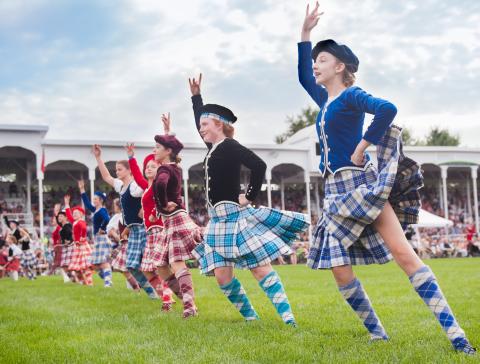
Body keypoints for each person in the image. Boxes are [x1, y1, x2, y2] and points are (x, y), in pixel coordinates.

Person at [298, 2, 475, 354]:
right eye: (315, 59)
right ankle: (377, 331)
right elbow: (303, 76)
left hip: (361, 187)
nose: (316, 64)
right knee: (338, 267)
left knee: (403, 254)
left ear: (340, 66)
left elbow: (387, 109)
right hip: (334, 192)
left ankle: (458, 337)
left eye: (322, 59)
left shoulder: (350, 95)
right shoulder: (325, 99)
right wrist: (305, 35)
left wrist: (364, 144)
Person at [188, 73, 310, 326]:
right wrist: (196, 98)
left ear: (219, 125)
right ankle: (251, 318)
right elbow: (201, 118)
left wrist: (249, 196)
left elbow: (259, 165)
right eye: (200, 126)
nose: (201, 129)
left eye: (205, 125)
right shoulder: (213, 149)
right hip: (217, 222)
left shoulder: (230, 146)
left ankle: (289, 320)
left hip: (234, 217)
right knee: (222, 276)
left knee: (259, 268)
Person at [150, 112, 202, 317]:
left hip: (174, 218)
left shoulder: (164, 170)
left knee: (176, 262)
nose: (154, 150)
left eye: (157, 147)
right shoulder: (174, 167)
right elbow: (171, 148)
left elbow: (161, 184)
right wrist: (167, 131)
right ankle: (189, 302)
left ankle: (189, 306)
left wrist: (162, 205)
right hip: (171, 220)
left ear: (168, 151)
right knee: (161, 265)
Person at [94, 145, 158, 299]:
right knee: (131, 266)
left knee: (150, 264)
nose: (117, 172)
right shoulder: (121, 186)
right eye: (116, 170)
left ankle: (162, 291)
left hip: (143, 228)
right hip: (133, 231)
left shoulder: (135, 186)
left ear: (129, 170)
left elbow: (151, 192)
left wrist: (146, 209)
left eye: (120, 169)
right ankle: (153, 293)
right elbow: (106, 177)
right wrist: (98, 157)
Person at [78, 180, 113, 287]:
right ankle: (107, 280)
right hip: (98, 238)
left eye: (95, 199)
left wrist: (102, 228)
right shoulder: (96, 210)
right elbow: (88, 205)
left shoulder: (102, 210)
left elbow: (107, 219)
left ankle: (108, 282)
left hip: (101, 238)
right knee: (95, 264)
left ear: (101, 200)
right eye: (93, 199)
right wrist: (82, 190)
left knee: (103, 262)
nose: (93, 200)